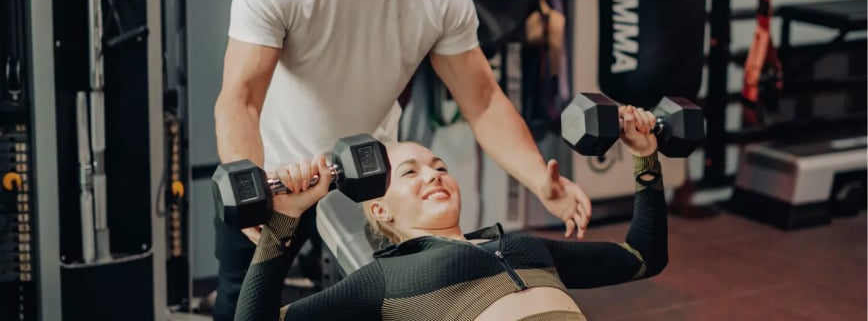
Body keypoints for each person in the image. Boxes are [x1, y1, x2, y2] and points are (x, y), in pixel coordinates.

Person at [213, 0, 591, 321]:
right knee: (240, 308)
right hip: (282, 173)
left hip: (373, 175)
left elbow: (483, 100)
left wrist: (544, 182)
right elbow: (239, 99)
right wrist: (254, 188)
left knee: (391, 308)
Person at [234, 105, 668, 320]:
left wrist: (646, 159)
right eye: (411, 172)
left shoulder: (521, 246)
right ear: (381, 209)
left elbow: (642, 258)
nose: (434, 175)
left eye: (439, 167)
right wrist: (285, 220)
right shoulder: (389, 279)